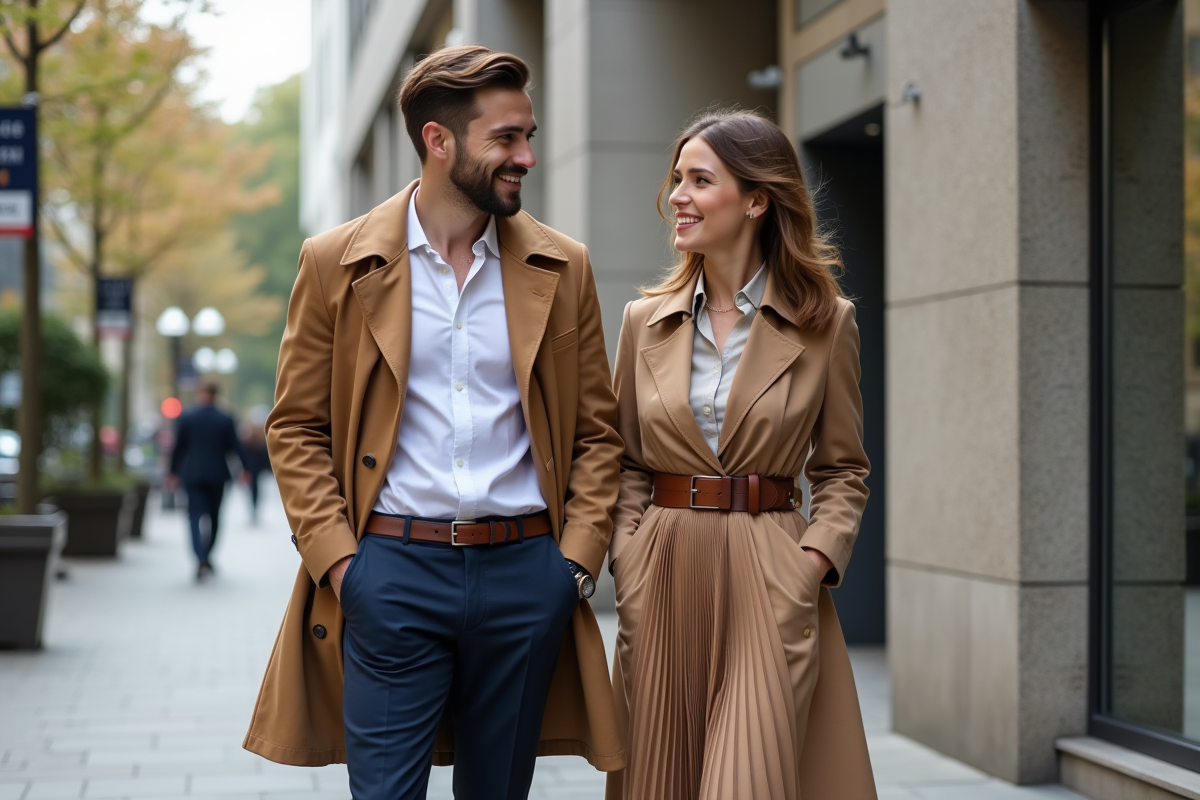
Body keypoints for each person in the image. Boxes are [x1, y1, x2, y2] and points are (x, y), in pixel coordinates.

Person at [242, 45, 625, 800]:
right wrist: (343, 567)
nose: (527, 157)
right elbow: (296, 427)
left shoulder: (563, 265)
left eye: (529, 136)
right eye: (506, 139)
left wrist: (574, 565)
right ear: (438, 140)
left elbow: (596, 432)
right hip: (391, 572)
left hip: (526, 574)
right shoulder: (334, 262)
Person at [607, 109, 876, 800]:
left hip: (770, 566)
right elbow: (626, 461)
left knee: (749, 777)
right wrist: (628, 559)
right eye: (677, 179)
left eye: (700, 180)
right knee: (659, 780)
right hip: (663, 567)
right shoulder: (644, 322)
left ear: (757, 200)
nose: (678, 195)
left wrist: (808, 565)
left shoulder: (826, 322)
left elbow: (842, 469)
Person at [167, 383, 248, 579]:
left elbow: (178, 448)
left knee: (193, 516)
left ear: (200, 394)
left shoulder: (187, 417)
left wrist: (173, 472)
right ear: (216, 395)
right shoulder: (225, 418)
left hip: (192, 474)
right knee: (214, 517)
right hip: (217, 475)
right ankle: (206, 554)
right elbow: (235, 447)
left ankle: (200, 556)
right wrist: (244, 469)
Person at [239, 420, 270, 524]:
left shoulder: (255, 442)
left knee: (253, 490)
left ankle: (253, 509)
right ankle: (253, 509)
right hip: (254, 469)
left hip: (253, 469)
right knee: (254, 491)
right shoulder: (253, 442)